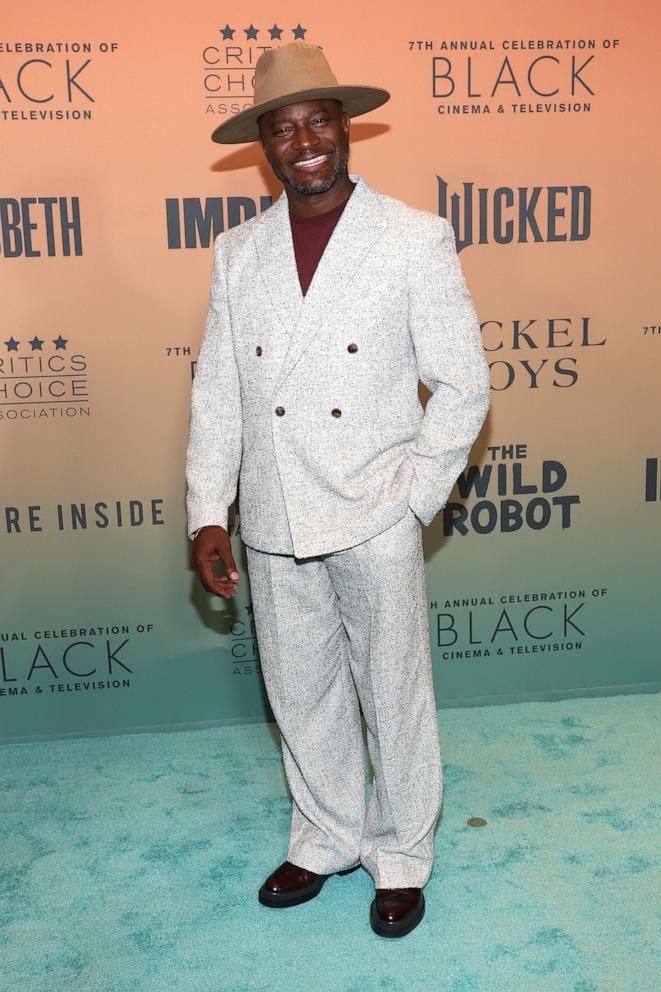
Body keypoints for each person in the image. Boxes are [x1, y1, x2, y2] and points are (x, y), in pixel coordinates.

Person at [185, 40, 491, 938]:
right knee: (300, 690)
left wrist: (414, 499)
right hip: (276, 513)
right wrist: (210, 508)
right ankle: (323, 835)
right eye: (283, 128)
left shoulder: (411, 236)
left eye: (317, 120)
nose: (303, 140)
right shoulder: (237, 252)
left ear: (344, 128)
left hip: (373, 509)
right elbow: (219, 390)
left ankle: (400, 852)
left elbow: (463, 381)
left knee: (390, 689)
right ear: (265, 147)